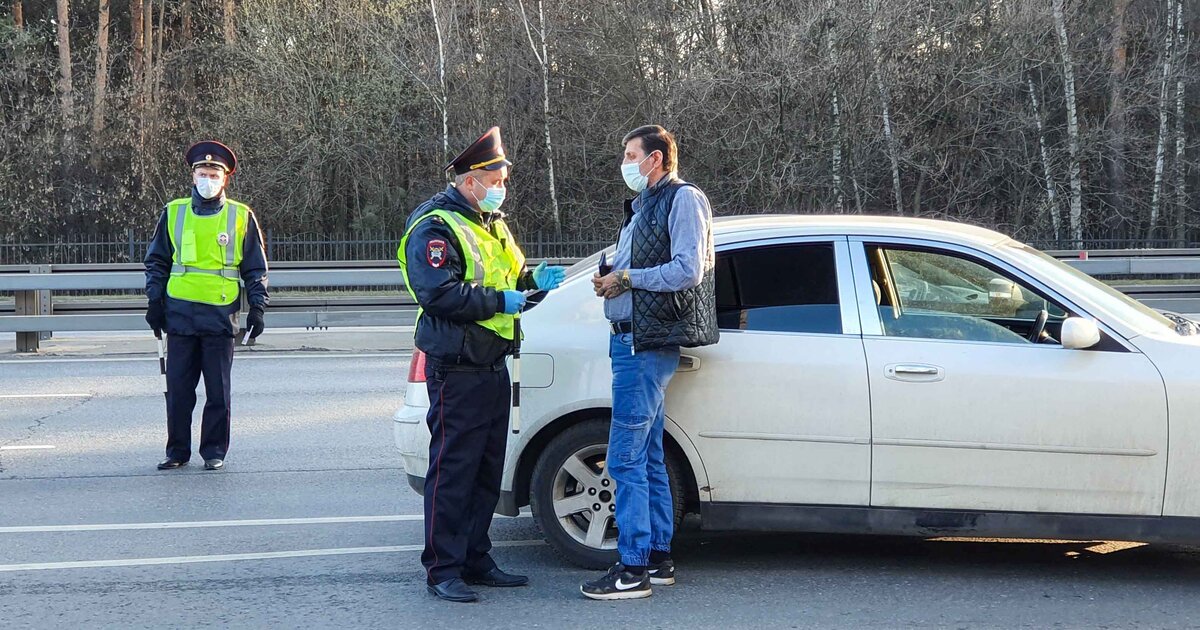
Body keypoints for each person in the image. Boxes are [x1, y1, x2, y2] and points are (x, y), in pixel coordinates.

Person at [398, 126, 566, 603]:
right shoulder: (435, 226)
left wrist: (534, 281)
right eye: (495, 177)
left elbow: (507, 277)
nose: (501, 185)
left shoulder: (490, 222)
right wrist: (504, 299)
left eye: (503, 178)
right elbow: (439, 293)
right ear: (470, 179)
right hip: (456, 365)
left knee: (487, 469)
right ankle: (443, 568)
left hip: (491, 363)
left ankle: (475, 556)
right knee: (453, 470)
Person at [581, 125, 718, 600]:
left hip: (645, 344)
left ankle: (632, 569)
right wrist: (609, 277)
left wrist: (627, 278)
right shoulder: (645, 206)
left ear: (655, 159)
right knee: (649, 456)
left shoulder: (683, 199)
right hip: (633, 340)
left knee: (624, 458)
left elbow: (688, 269)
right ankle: (657, 559)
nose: (625, 162)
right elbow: (631, 268)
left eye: (630, 154)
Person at [144, 141, 269, 472]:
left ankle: (213, 450)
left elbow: (255, 268)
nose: (207, 179)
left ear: (224, 178)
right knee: (179, 392)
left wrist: (258, 306)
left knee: (218, 392)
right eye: (202, 173)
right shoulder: (174, 212)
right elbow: (157, 261)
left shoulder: (241, 216)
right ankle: (177, 451)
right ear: (193, 175)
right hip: (180, 314)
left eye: (214, 174)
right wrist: (154, 300)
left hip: (220, 315)